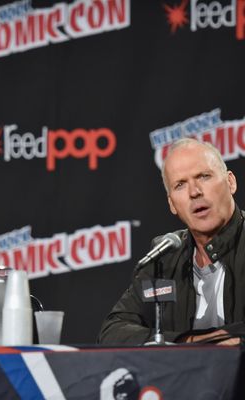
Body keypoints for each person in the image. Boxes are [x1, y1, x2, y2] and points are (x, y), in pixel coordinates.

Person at [98, 138, 243, 346]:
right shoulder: (165, 257)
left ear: (231, 182)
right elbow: (112, 331)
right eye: (180, 185)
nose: (194, 192)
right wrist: (188, 342)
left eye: (204, 176)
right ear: (172, 204)